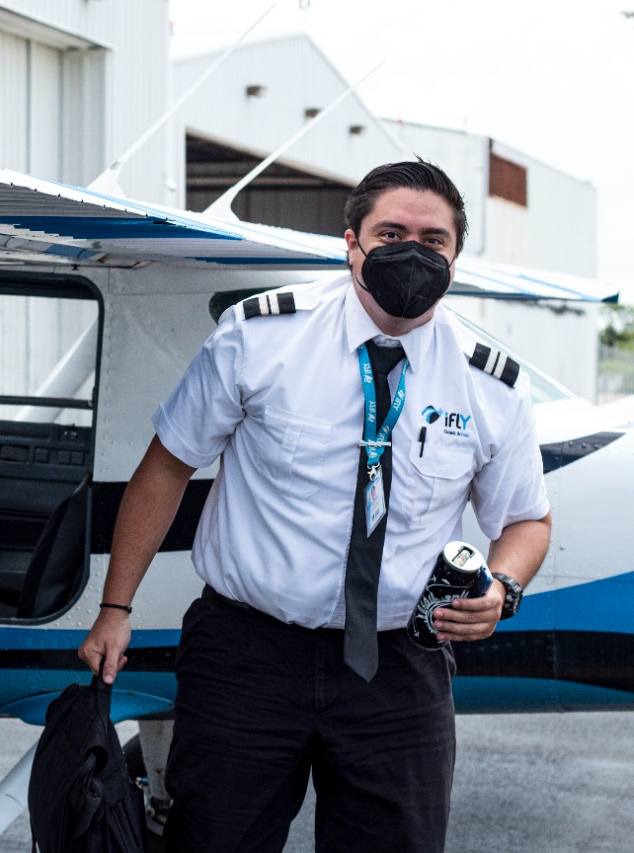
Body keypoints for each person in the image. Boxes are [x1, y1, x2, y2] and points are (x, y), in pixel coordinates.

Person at [77, 160, 551, 853]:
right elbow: (168, 463)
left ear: (454, 254)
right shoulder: (261, 336)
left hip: (401, 664)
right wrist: (115, 609)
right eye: (391, 232)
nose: (412, 251)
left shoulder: (492, 383)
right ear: (351, 242)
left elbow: (527, 519)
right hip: (249, 653)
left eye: (433, 239)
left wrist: (503, 586)